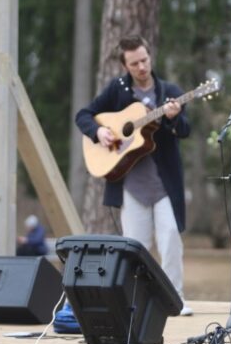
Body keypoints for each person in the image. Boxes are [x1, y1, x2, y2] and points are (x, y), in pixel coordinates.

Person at [75, 35, 193, 316]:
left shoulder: (170, 92)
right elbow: (83, 115)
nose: (141, 66)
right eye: (134, 63)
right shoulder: (117, 91)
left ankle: (175, 298)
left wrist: (173, 117)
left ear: (150, 57)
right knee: (134, 247)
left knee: (170, 239)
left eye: (144, 60)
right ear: (125, 65)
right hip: (131, 184)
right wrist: (99, 131)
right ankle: (135, 299)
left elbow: (186, 130)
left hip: (165, 184)